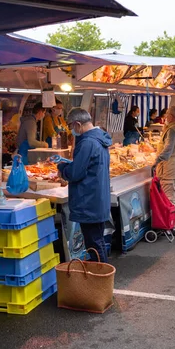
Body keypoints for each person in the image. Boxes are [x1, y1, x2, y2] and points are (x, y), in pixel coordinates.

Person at [58, 108, 112, 262]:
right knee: (97, 241)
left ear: (77, 124)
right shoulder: (99, 139)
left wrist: (62, 168)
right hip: (97, 197)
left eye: (71, 127)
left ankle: (101, 278)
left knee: (94, 243)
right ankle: (101, 275)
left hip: (89, 200)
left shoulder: (87, 143)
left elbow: (76, 173)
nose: (72, 131)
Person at [154, 106, 175, 236]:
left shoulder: (172, 129)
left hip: (171, 166)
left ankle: (173, 225)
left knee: (170, 197)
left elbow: (168, 149)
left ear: (171, 117)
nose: (165, 117)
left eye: (167, 114)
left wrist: (156, 161)